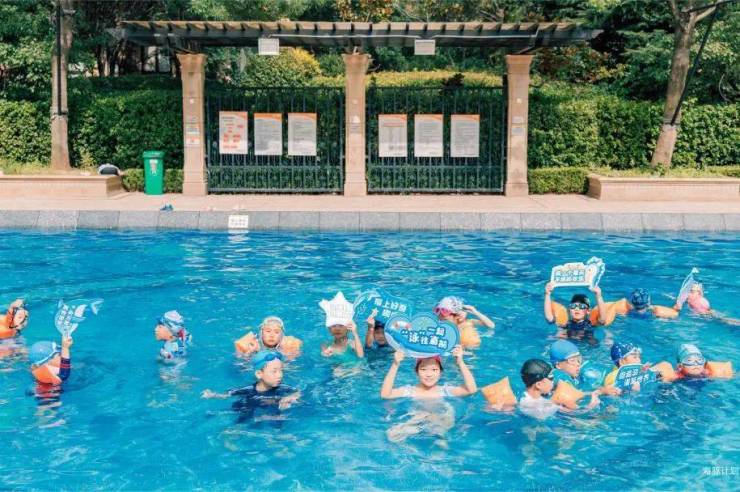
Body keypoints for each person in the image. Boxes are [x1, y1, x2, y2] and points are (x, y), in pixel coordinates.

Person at [201, 350, 300, 421]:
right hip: (248, 410)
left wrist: (287, 399)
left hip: (268, 413)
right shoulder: (249, 390)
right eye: (274, 371)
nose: (280, 375)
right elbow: (228, 395)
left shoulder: (282, 388)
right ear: (259, 374)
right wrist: (213, 395)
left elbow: (297, 392)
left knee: (278, 419)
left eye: (281, 370)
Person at [380, 345, 476, 399]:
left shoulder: (445, 391)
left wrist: (460, 362)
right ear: (416, 372)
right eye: (423, 369)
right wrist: (395, 364)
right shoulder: (409, 391)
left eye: (434, 370)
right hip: (416, 422)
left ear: (440, 373)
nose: (429, 374)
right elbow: (385, 395)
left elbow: (471, 390)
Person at [519, 358, 600, 419]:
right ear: (539, 385)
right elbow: (571, 413)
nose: (553, 381)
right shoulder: (535, 408)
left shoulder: (533, 398)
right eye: (551, 378)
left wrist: (591, 393)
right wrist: (591, 406)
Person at [549, 340, 618, 396]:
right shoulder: (558, 376)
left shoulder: (574, 376)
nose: (577, 364)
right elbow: (572, 395)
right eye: (572, 361)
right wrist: (601, 392)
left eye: (578, 359)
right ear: (558, 365)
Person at [319, 292, 364, 360]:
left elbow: (360, 356)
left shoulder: (352, 344)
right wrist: (325, 354)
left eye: (341, 325)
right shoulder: (326, 345)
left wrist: (355, 333)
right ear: (329, 329)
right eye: (334, 326)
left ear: (348, 328)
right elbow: (323, 357)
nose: (337, 329)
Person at [234, 316, 302, 359]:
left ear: (281, 335)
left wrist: (286, 352)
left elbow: (291, 365)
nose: (272, 335)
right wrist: (250, 352)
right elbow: (240, 366)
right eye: (268, 331)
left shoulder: (287, 345)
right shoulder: (250, 344)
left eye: (276, 332)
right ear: (261, 333)